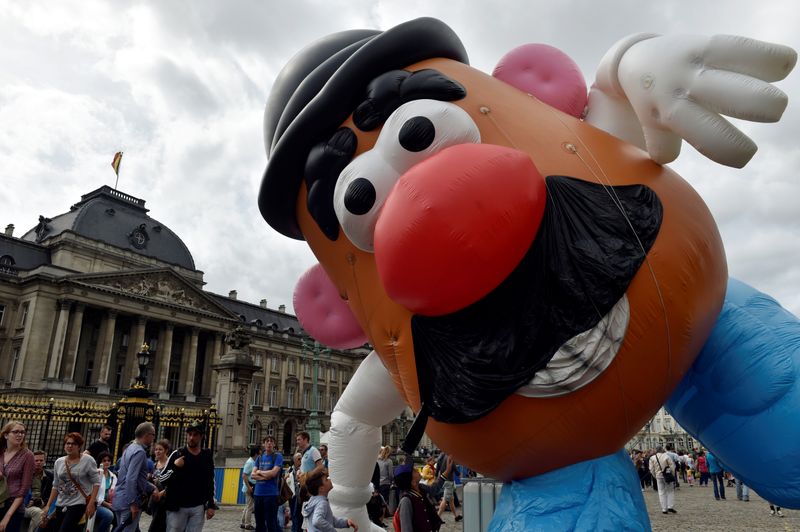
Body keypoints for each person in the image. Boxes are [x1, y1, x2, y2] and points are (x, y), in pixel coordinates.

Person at [158, 422, 217, 532]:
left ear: (201, 436)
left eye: (195, 435)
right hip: (177, 506)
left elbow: (210, 481)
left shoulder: (206, 456)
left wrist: (211, 505)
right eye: (189, 434)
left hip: (198, 507)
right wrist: (175, 467)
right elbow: (162, 479)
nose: (191, 438)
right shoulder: (177, 454)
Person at [41, 432, 101, 532]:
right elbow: (55, 485)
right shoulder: (59, 462)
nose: (69, 446)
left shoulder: (88, 460)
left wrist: (91, 503)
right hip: (61, 503)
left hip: (79, 503)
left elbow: (96, 482)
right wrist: (48, 505)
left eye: (73, 444)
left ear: (79, 446)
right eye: (67, 443)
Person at [111, 422, 157, 532]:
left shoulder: (129, 448)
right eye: (153, 435)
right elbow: (131, 479)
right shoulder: (139, 452)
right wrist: (132, 502)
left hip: (119, 498)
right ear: (147, 435)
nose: (154, 438)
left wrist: (152, 488)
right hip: (128, 501)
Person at [0, 421, 35, 532]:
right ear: (6, 435)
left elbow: (24, 489)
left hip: (13, 506)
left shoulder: (27, 455)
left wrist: (7, 516)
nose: (20, 435)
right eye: (15, 432)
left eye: (22, 432)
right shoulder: (0, 453)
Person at [394, 463, 442, 532]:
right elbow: (406, 529)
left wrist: (445, 473)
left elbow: (434, 489)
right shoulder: (406, 500)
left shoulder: (420, 489)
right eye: (413, 471)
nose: (417, 470)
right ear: (412, 482)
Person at [251, 437, 283, 532]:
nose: (269, 443)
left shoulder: (277, 457)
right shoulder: (259, 458)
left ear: (274, 445)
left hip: (271, 494)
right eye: (267, 441)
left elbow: (274, 473)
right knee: (259, 523)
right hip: (258, 494)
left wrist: (260, 472)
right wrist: (265, 476)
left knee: (271, 522)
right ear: (264, 444)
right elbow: (253, 475)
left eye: (271, 442)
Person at [293, 432, 322, 532]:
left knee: (305, 514)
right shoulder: (303, 452)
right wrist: (299, 472)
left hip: (310, 488)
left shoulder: (313, 451)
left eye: (299, 439)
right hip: (302, 487)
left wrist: (307, 475)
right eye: (297, 440)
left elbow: (320, 467)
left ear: (306, 439)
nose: (297, 442)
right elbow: (304, 467)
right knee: (298, 514)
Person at [23, 450, 52, 532]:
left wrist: (44, 504)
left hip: (43, 506)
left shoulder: (49, 476)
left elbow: (51, 494)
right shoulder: (25, 474)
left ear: (45, 461)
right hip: (25, 506)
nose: (39, 462)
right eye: (36, 460)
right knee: (38, 512)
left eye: (41, 460)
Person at [148, 440, 171, 532]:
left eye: (160, 449)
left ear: (166, 450)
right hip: (154, 500)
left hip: (165, 499)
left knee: (158, 525)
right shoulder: (154, 465)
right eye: (156, 449)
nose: (157, 451)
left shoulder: (170, 465)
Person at [91, 452, 117, 532]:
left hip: (109, 504)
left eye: (108, 460)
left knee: (122, 517)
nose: (106, 462)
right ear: (100, 462)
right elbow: (92, 493)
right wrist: (105, 504)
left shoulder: (113, 476)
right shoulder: (96, 474)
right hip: (96, 505)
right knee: (108, 515)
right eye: (104, 460)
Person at [648, 446, 676, 515]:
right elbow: (672, 466)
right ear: (662, 450)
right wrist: (672, 474)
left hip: (658, 476)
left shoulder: (652, 458)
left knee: (661, 492)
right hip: (667, 475)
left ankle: (664, 508)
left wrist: (655, 476)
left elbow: (651, 469)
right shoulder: (666, 456)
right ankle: (670, 506)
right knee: (670, 491)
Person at [435, 454, 461, 522]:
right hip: (449, 480)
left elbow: (438, 466)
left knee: (451, 500)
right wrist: (459, 474)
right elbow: (453, 466)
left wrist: (436, 475)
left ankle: (456, 516)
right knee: (445, 500)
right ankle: (437, 518)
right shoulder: (450, 456)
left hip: (443, 479)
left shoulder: (441, 455)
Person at [240, 446, 259, 531]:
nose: (260, 455)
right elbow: (244, 475)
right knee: (250, 507)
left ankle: (243, 523)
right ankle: (247, 524)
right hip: (249, 487)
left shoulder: (252, 461)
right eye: (259, 453)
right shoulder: (250, 462)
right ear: (256, 453)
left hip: (249, 486)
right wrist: (249, 487)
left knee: (247, 506)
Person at [286, 453, 302, 532]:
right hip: (292, 495)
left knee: (298, 514)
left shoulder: (303, 469)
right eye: (299, 459)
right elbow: (286, 481)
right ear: (294, 461)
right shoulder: (290, 469)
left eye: (301, 458)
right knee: (293, 514)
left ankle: (297, 529)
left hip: (300, 495)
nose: (301, 461)